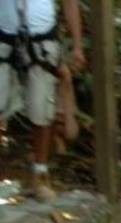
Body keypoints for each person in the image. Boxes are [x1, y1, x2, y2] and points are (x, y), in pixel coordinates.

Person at [0, 0, 86, 200]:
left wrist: (78, 46)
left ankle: (41, 174)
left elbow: (70, 3)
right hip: (4, 35)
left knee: (42, 109)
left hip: (42, 37)